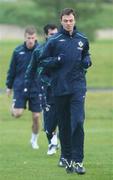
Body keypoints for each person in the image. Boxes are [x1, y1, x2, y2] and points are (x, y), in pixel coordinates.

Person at [39, 8, 92, 174]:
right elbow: (42, 60)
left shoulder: (82, 39)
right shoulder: (54, 41)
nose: (69, 23)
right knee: (64, 125)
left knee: (77, 121)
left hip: (78, 87)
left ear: (74, 20)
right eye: (65, 21)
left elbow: (86, 54)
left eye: (71, 20)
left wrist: (87, 60)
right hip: (60, 88)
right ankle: (67, 158)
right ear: (61, 21)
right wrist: (56, 60)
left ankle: (78, 161)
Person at [24, 24, 60, 155]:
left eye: (56, 33)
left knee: (64, 118)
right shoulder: (39, 51)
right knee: (49, 120)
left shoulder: (63, 49)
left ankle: (59, 142)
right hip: (45, 90)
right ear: (45, 35)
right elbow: (31, 70)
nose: (54, 36)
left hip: (62, 89)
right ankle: (52, 142)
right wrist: (27, 86)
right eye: (51, 34)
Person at [6, 26, 41, 150]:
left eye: (32, 38)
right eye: (28, 38)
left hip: (36, 88)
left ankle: (34, 140)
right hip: (20, 87)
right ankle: (14, 108)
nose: (30, 40)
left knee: (36, 116)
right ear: (25, 38)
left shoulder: (41, 50)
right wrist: (9, 87)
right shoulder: (17, 51)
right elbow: (12, 70)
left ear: (35, 37)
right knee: (17, 114)